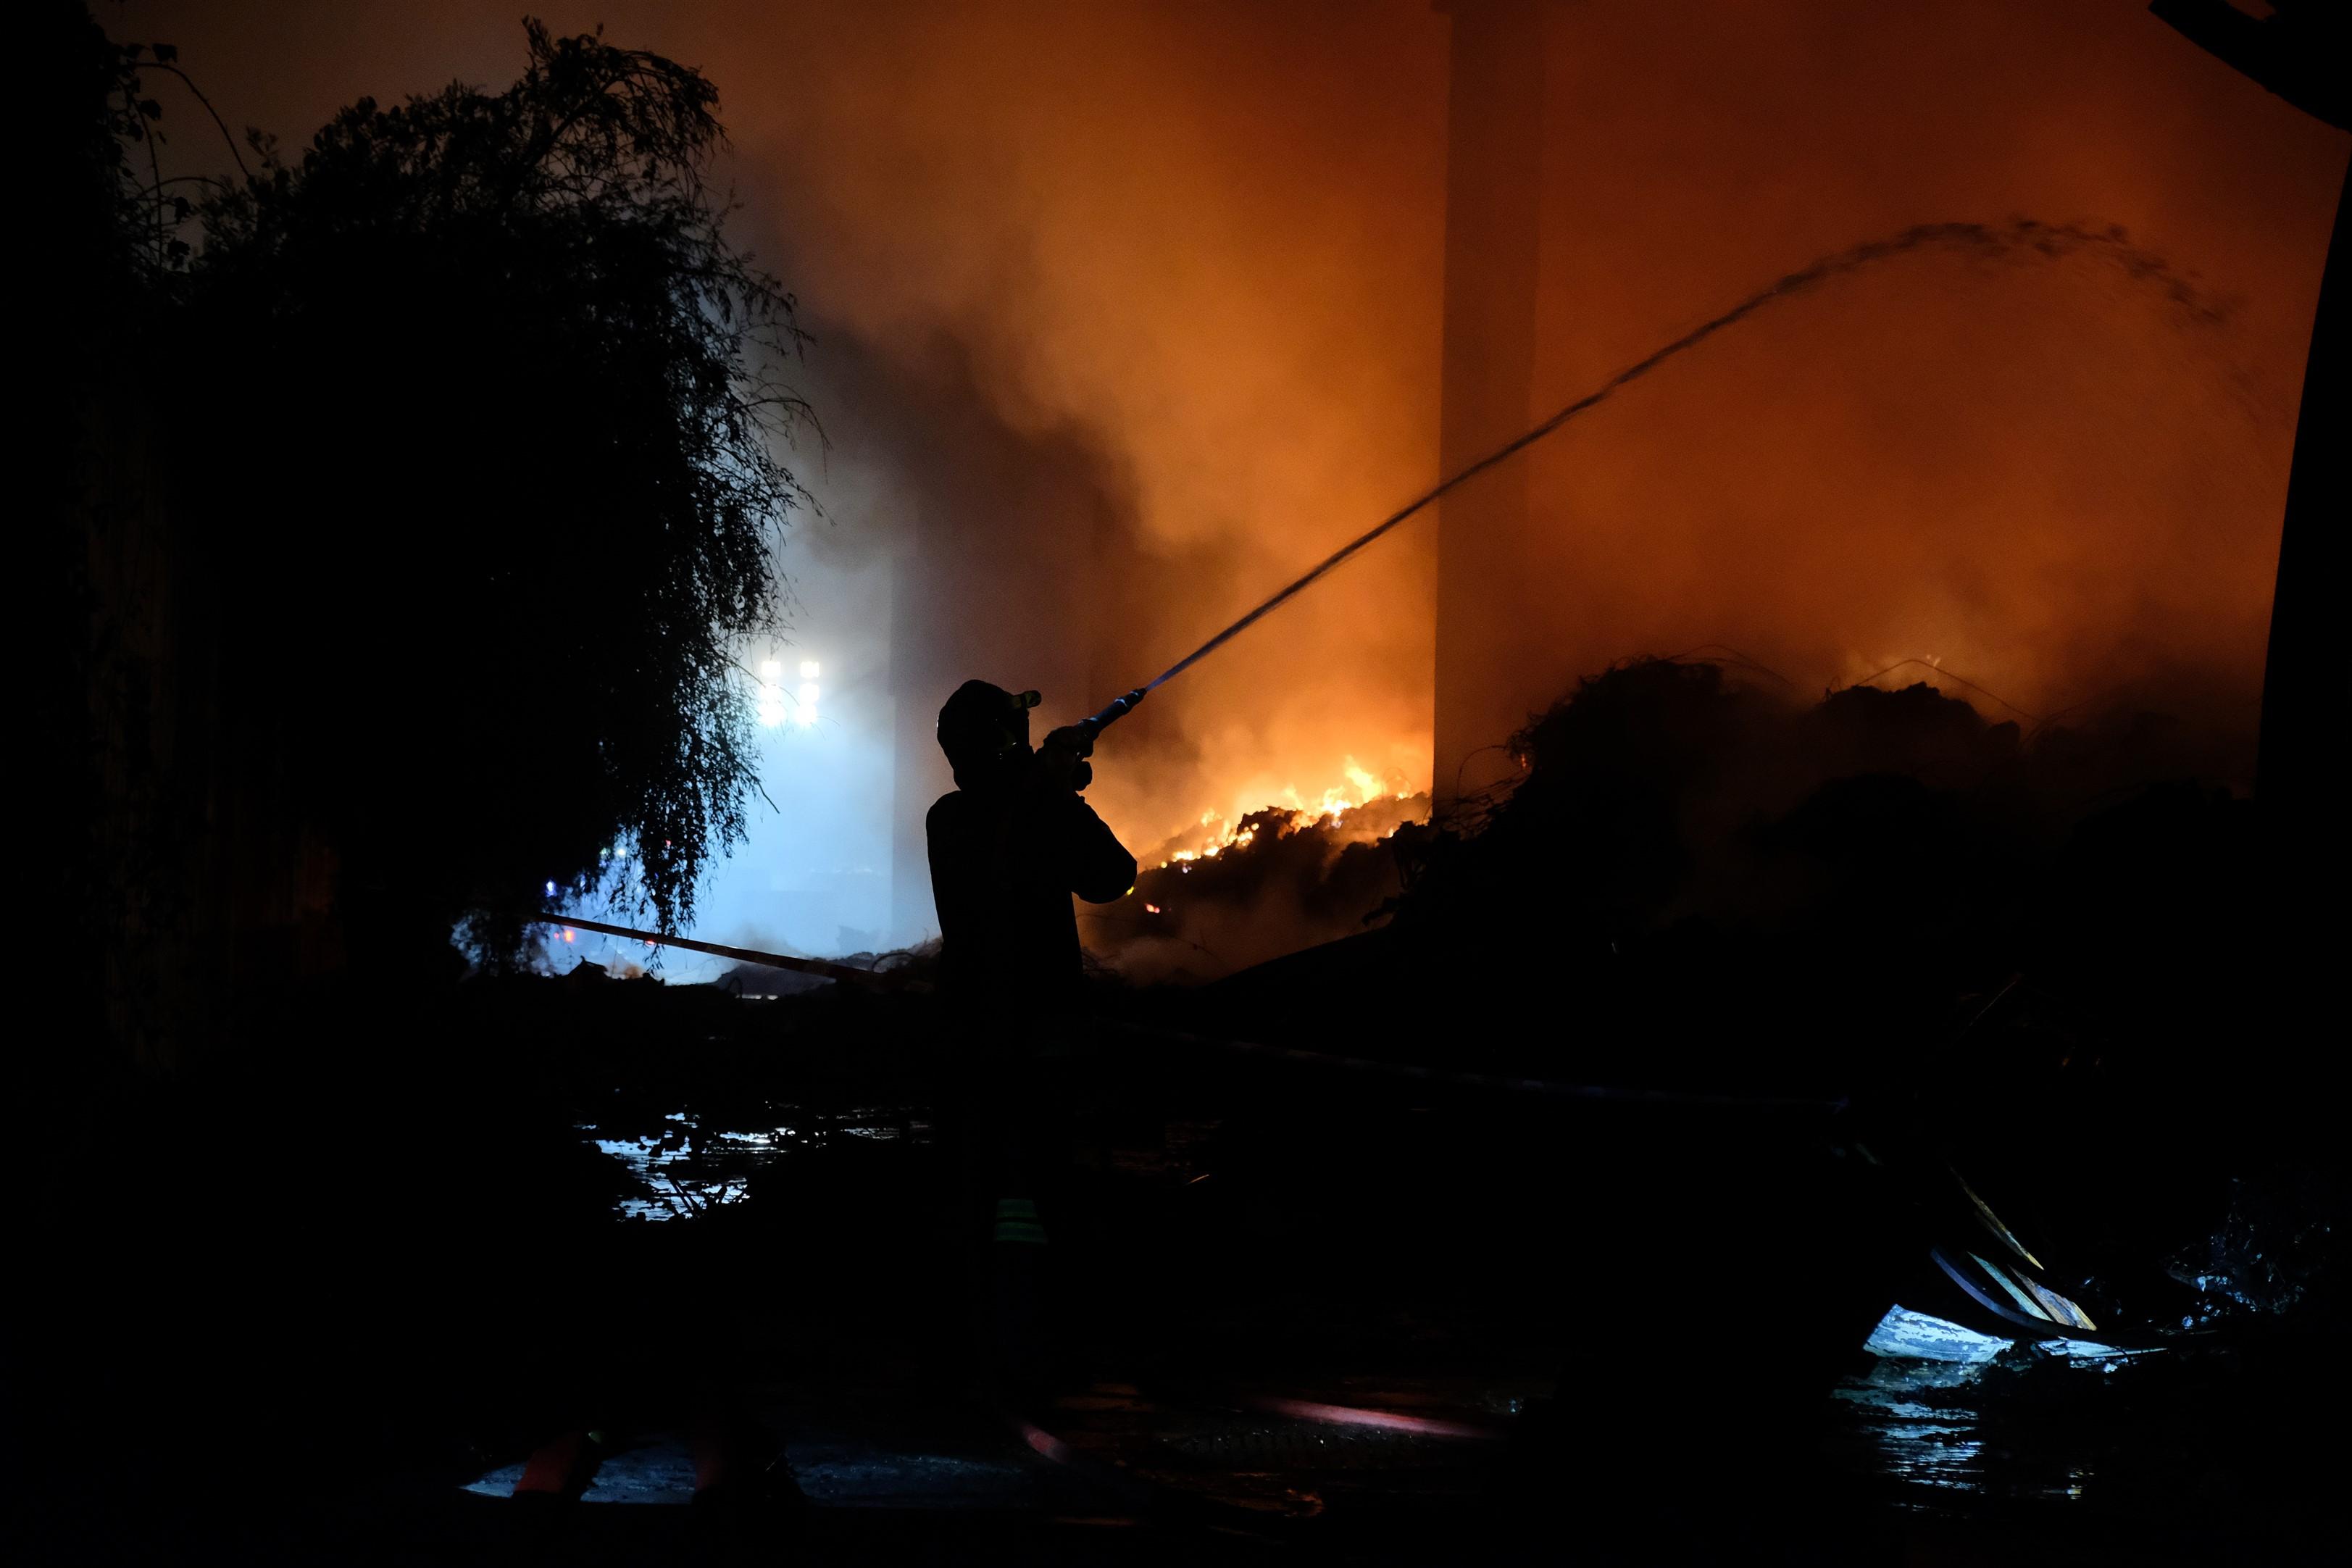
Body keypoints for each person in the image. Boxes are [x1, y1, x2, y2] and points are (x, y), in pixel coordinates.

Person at [923, 680, 1136, 1404]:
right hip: (1034, 1039)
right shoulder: (992, 814)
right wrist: (1055, 791)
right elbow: (1112, 876)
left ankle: (976, 1352)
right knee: (1046, 1198)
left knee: (978, 1196)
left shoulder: (953, 816)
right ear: (1004, 744)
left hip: (969, 1042)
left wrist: (1047, 786)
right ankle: (1040, 1351)